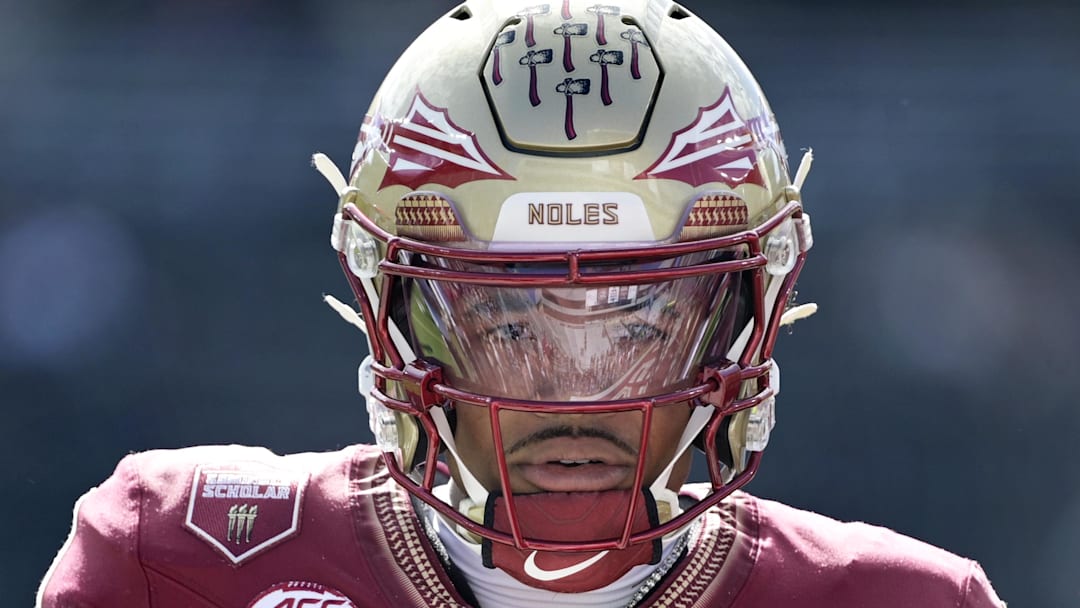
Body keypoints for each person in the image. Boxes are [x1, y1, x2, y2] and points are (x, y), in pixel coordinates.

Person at [37, 1, 1007, 606]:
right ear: (397, 306)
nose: (576, 383)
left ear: (739, 312)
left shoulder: (909, 597)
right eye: (506, 319)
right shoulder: (173, 562)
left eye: (636, 315)